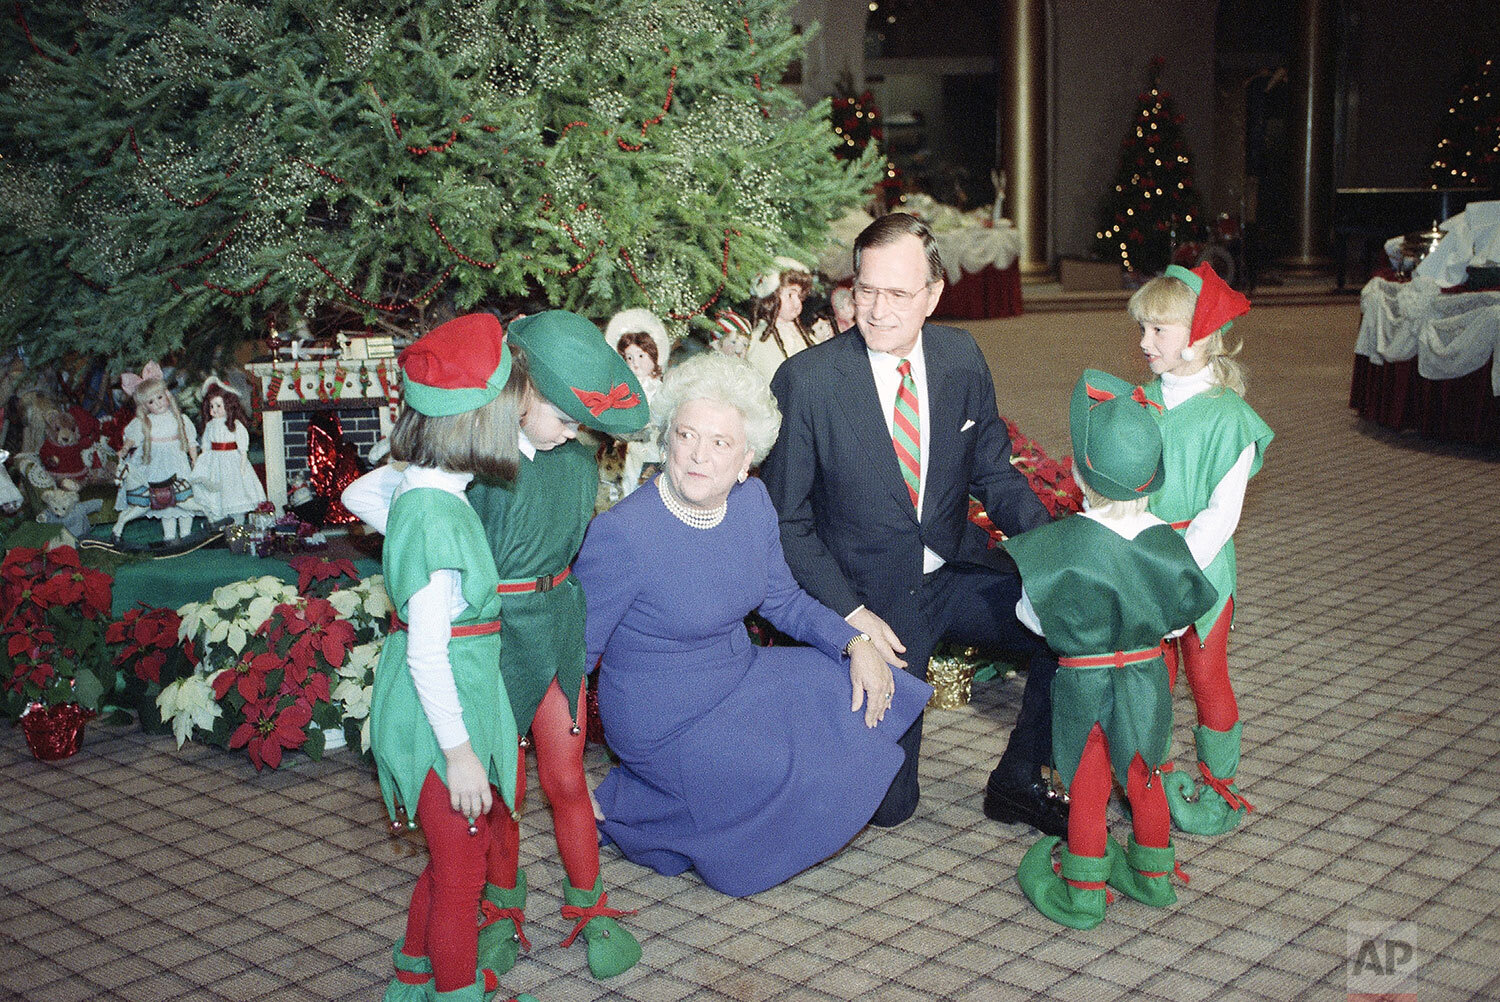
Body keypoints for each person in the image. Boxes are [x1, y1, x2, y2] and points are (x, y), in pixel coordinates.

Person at [345, 311, 648, 982]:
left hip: (556, 620)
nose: (578, 432)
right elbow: (383, 497)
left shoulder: (575, 455)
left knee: (567, 775)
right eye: (566, 416)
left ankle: (588, 904)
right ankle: (500, 910)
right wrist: (424, 552)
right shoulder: (471, 457)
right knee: (500, 789)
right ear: (524, 394)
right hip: (491, 639)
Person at [573, 353, 931, 897]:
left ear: (746, 461)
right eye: (687, 435)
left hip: (737, 676)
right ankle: (646, 797)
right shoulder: (623, 535)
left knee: (842, 692)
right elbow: (574, 655)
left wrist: (855, 641)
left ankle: (671, 799)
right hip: (661, 715)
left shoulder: (752, 503)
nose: (698, 455)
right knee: (773, 774)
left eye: (720, 443)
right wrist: (563, 770)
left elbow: (783, 601)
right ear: (667, 440)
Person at [761, 212, 1065, 834]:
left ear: (932, 295)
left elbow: (995, 475)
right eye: (864, 289)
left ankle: (1019, 778)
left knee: (1071, 623)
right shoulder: (807, 382)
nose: (876, 310)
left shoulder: (959, 358)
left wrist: (1055, 556)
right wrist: (849, 615)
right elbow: (786, 523)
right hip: (869, 602)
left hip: (952, 572)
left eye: (898, 293)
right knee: (889, 810)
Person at [362, 313, 535, 1002]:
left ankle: (412, 979)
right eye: (509, 415)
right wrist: (460, 753)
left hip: (452, 702)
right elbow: (429, 656)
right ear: (478, 425)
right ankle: (458, 991)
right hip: (443, 719)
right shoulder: (436, 515)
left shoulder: (424, 491)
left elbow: (359, 492)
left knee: (446, 864)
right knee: (462, 877)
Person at [1011, 370, 1217, 930]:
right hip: (1147, 679)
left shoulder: (1057, 550)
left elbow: (1033, 620)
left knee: (1088, 783)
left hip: (1084, 682)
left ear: (1078, 474)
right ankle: (1152, 877)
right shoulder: (1170, 546)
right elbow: (1178, 624)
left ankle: (1083, 892)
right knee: (1146, 773)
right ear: (1154, 481)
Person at [1131, 262, 1273, 835]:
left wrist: (1176, 576)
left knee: (1207, 672)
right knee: (1152, 676)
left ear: (1202, 337)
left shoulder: (1231, 419)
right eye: (1142, 329)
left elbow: (1221, 516)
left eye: (1157, 331)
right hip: (1144, 556)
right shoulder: (1138, 400)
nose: (1143, 343)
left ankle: (1219, 785)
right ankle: (1154, 779)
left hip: (1202, 568)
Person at [113, 362, 199, 542]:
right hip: (155, 462)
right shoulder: (145, 422)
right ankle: (169, 535)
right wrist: (125, 448)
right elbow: (133, 438)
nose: (158, 403)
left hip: (177, 462)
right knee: (163, 500)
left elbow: (191, 441)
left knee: (184, 497)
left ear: (167, 395)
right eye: (151, 402)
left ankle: (186, 533)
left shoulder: (179, 419)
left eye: (160, 397)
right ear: (145, 406)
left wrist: (194, 459)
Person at [605, 308, 670, 495]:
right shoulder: (623, 389)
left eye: (641, 356)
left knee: (648, 481)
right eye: (629, 358)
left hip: (653, 446)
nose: (635, 363)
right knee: (627, 480)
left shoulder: (658, 389)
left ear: (654, 355)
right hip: (627, 446)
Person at [190, 377, 266, 525]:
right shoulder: (210, 425)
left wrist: (243, 466)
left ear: (229, 406)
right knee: (215, 491)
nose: (214, 410)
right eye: (211, 406)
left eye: (218, 406)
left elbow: (243, 449)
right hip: (214, 461)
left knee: (234, 490)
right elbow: (205, 445)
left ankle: (237, 522)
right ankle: (218, 521)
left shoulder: (235, 425)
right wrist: (201, 462)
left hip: (232, 461)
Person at [745, 258, 830, 384]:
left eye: (799, 296)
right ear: (771, 299)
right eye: (790, 295)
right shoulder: (760, 340)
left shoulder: (803, 335)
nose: (797, 303)